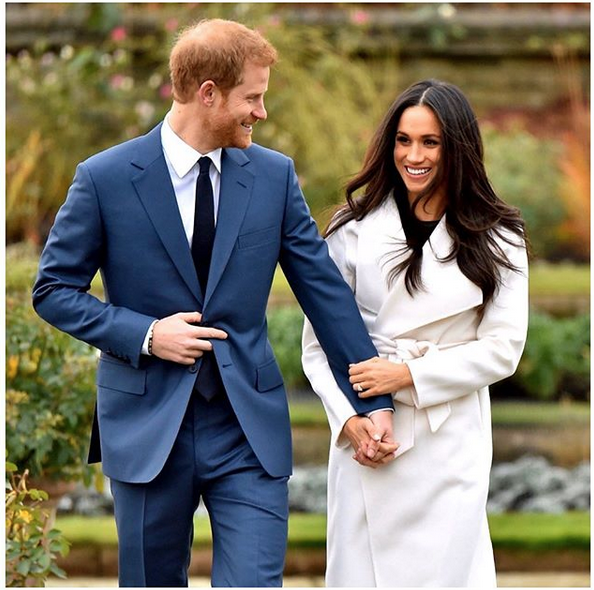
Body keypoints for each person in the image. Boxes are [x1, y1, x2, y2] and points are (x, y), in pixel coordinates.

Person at [32, 19, 397, 588]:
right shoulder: (103, 179)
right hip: (148, 426)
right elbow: (52, 291)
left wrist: (373, 399)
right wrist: (149, 334)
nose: (261, 112)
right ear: (208, 93)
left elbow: (324, 293)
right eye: (253, 97)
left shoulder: (274, 177)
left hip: (246, 429)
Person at [302, 79, 529, 587]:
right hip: (368, 438)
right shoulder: (351, 228)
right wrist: (351, 422)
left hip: (447, 439)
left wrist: (406, 374)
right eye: (404, 140)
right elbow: (319, 346)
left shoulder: (500, 235)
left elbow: (503, 349)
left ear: (459, 148)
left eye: (431, 142)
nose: (414, 155)